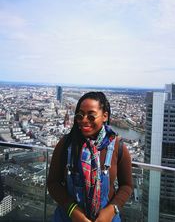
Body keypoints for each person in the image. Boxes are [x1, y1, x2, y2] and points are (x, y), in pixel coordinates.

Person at [47, 91, 132, 222]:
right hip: (69, 217)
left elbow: (126, 186)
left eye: (91, 116)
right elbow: (53, 183)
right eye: (80, 116)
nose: (84, 120)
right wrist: (73, 211)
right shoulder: (67, 144)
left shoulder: (117, 147)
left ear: (105, 116)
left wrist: (111, 211)